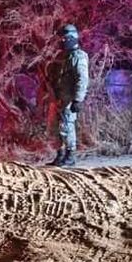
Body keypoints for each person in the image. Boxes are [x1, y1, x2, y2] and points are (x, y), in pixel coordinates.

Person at [50, 24, 90, 167]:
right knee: (57, 128)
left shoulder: (79, 56)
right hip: (60, 97)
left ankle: (70, 155)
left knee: (67, 126)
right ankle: (60, 155)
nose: (62, 41)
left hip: (69, 98)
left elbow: (82, 79)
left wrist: (78, 99)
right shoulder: (64, 56)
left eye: (65, 38)